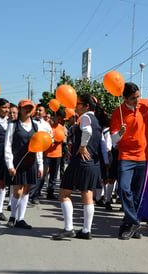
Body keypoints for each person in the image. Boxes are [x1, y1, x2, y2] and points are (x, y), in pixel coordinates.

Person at [52, 94, 103, 240]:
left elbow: (87, 131)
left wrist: (82, 146)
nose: (76, 106)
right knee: (87, 195)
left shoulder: (85, 118)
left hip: (80, 161)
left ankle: (69, 228)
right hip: (92, 162)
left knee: (64, 193)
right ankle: (86, 230)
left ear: (86, 106)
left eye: (79, 103)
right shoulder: (97, 120)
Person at [110, 82, 148, 240]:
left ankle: (128, 227)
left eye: (138, 96)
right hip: (126, 157)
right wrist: (120, 133)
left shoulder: (144, 107)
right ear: (125, 98)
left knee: (136, 195)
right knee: (123, 189)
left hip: (143, 157)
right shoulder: (118, 113)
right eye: (134, 98)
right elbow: (113, 138)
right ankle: (135, 221)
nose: (137, 100)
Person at [4, 99, 43, 229]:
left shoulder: (36, 126)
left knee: (26, 190)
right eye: (25, 107)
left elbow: (39, 146)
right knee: (17, 190)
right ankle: (12, 217)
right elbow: (7, 146)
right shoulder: (13, 125)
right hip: (18, 162)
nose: (28, 110)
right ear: (20, 109)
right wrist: (10, 164)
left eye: (30, 107)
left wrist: (40, 165)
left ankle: (21, 219)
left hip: (31, 162)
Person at [29, 104, 53, 204]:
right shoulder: (30, 122)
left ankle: (35, 195)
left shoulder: (47, 125)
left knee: (40, 174)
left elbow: (51, 138)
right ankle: (28, 195)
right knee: (30, 172)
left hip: (42, 152)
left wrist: (46, 143)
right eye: (37, 110)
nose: (38, 112)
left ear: (44, 113)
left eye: (40, 110)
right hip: (30, 151)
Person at [43, 109, 66, 200]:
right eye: (59, 118)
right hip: (47, 153)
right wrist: (53, 140)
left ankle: (50, 192)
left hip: (57, 154)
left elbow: (64, 138)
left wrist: (62, 140)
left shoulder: (61, 126)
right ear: (55, 115)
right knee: (43, 174)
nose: (60, 121)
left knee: (54, 175)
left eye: (61, 119)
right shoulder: (47, 124)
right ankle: (35, 193)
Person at [6, 103, 18, 211]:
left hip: (13, 155)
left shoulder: (17, 125)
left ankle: (10, 202)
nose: (12, 115)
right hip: (3, 155)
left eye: (14, 113)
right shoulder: (4, 123)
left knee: (12, 182)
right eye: (10, 113)